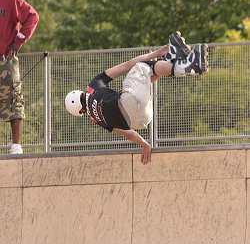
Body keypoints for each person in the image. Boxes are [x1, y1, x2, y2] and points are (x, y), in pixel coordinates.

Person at [65, 32, 208, 164]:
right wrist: (156, 53)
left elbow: (128, 134)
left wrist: (144, 144)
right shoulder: (93, 86)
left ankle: (173, 62)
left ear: (81, 111)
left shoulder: (96, 119)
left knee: (146, 77)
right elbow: (128, 66)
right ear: (80, 93)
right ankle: (185, 66)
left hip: (143, 120)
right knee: (141, 66)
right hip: (127, 102)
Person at [0, 0, 39, 154]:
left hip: (5, 60)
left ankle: (16, 146)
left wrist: (19, 40)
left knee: (14, 99)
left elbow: (32, 16)